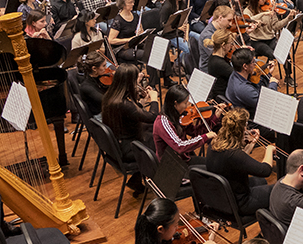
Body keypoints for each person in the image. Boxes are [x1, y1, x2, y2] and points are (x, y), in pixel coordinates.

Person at [101, 62, 159, 191]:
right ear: (128, 83)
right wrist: (154, 99)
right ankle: (160, 182)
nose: (137, 84)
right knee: (161, 142)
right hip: (129, 148)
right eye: (135, 81)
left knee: (152, 131)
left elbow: (133, 113)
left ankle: (137, 180)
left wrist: (140, 101)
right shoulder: (124, 104)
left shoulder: (111, 96)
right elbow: (152, 117)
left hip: (120, 142)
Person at [206, 108, 274, 212]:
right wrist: (269, 149)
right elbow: (265, 170)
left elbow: (238, 161)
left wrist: (252, 143)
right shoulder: (234, 154)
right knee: (278, 191)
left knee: (260, 181)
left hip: (221, 197)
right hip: (239, 203)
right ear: (241, 130)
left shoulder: (215, 143)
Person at [153, 83, 218, 162]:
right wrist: (205, 137)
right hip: (172, 164)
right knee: (210, 167)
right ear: (175, 104)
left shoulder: (180, 115)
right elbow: (179, 146)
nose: (188, 106)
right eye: (185, 103)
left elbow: (195, 132)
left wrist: (215, 118)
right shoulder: (162, 122)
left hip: (184, 157)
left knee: (210, 164)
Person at [226, 47, 279, 118]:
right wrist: (273, 84)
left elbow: (258, 87)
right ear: (245, 66)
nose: (255, 64)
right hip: (252, 118)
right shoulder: (243, 88)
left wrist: (268, 75)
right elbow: (266, 104)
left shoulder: (235, 74)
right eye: (253, 62)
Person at [198, 4, 235, 71]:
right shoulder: (207, 35)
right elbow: (219, 56)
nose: (230, 24)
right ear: (220, 18)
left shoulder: (221, 29)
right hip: (210, 70)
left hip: (220, 64)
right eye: (229, 20)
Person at [205, 28, 236, 98]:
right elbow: (238, 76)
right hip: (224, 95)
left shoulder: (214, 55)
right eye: (230, 43)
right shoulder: (219, 64)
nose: (232, 46)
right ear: (223, 45)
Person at [77, 50, 109, 117]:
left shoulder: (99, 78)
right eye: (104, 66)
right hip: (99, 116)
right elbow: (106, 101)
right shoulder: (86, 86)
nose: (106, 68)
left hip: (105, 111)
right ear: (94, 68)